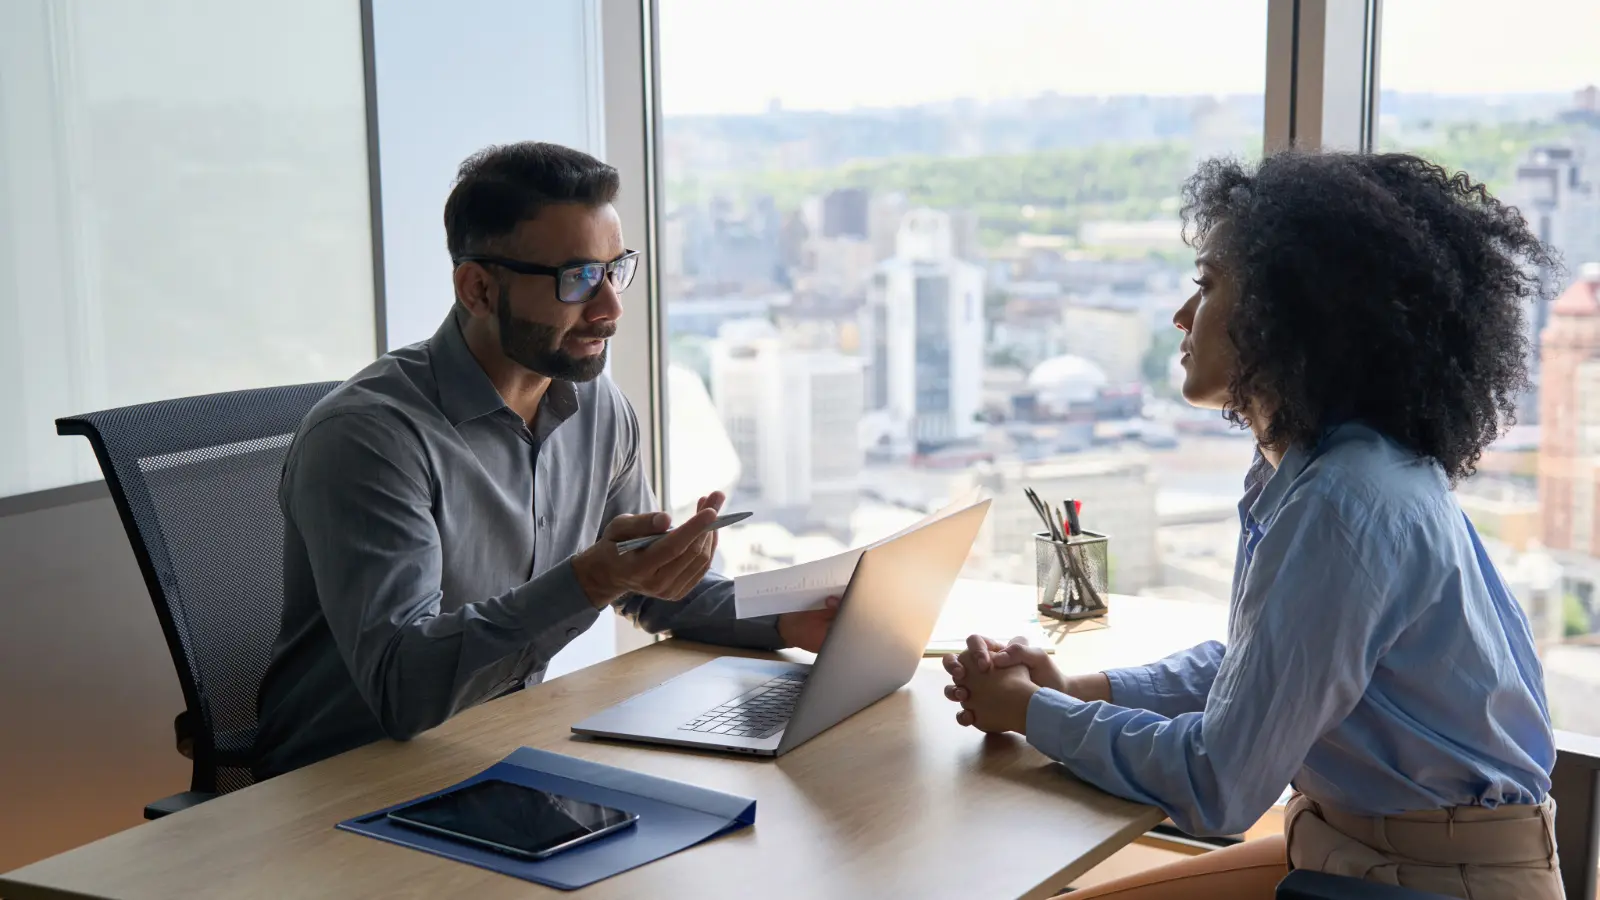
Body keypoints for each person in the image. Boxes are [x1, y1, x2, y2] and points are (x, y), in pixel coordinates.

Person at [943, 152, 1563, 899]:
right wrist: (1082, 687)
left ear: (1289, 313)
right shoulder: (1319, 469)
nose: (1180, 316)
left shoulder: (1342, 503)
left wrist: (1032, 712)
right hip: (1357, 854)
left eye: (1205, 286)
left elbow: (1221, 784)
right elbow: (1259, 672)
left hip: (1429, 884)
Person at [254, 142, 837, 779]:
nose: (610, 308)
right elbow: (402, 690)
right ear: (478, 287)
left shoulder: (595, 405)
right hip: (339, 786)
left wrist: (785, 618)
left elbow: (649, 587)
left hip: (495, 749)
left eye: (616, 270)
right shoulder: (370, 439)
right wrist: (589, 581)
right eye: (578, 279)